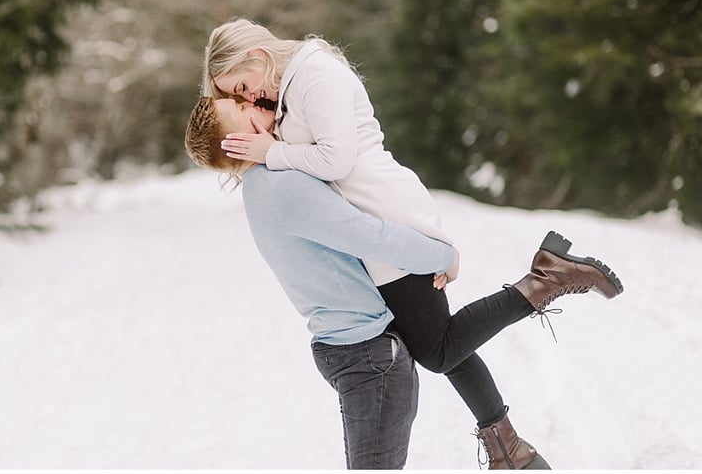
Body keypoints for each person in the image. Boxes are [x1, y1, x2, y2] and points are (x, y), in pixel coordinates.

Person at [185, 94, 625, 469]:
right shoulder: (279, 186)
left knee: (442, 348)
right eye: (241, 107)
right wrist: (443, 255)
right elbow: (367, 234)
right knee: (441, 349)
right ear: (234, 141)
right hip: (366, 356)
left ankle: (510, 447)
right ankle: (511, 442)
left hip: (362, 352)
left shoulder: (263, 187)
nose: (254, 103)